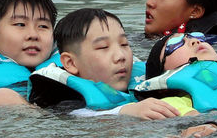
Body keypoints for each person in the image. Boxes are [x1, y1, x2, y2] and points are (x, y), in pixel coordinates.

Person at [28, 7, 179, 118]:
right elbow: (73, 115)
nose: (121, 56)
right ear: (71, 63)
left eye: (124, 44)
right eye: (103, 47)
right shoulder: (61, 95)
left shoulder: (147, 78)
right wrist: (124, 111)